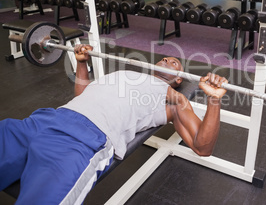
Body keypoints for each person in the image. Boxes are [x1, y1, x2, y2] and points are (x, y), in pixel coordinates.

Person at [0, 44, 228, 204]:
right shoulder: (123, 73)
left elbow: (202, 146)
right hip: (44, 120)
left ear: (179, 80)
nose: (167, 59)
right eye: (164, 58)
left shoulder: (173, 97)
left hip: (83, 140)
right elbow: (83, 94)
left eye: (174, 62)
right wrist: (82, 64)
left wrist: (214, 100)